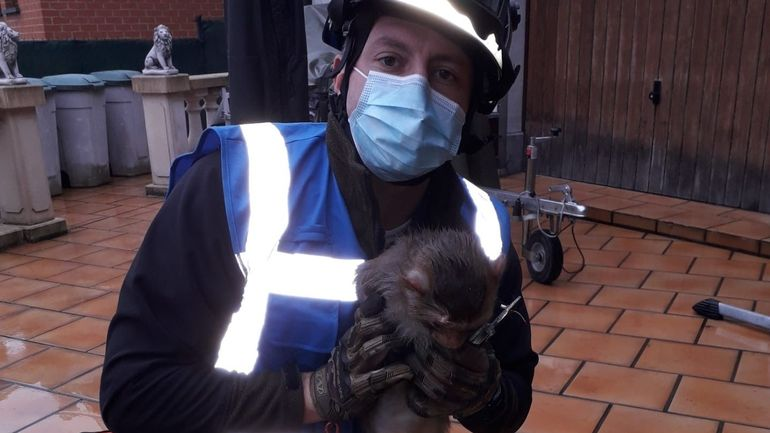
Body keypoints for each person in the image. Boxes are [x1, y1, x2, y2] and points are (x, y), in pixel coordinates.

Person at [99, 1, 538, 432]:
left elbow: (513, 400)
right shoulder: (234, 186)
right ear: (342, 73)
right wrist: (313, 395)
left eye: (445, 73)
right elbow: (133, 393)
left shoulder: (485, 232)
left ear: (469, 110)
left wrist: (483, 394)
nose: (416, 89)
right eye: (390, 59)